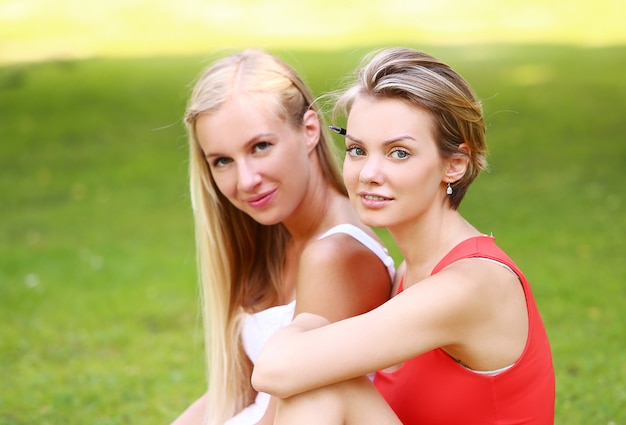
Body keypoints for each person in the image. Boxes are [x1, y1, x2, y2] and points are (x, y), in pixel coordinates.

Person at [252, 47, 555, 424]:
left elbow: (273, 371)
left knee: (321, 382)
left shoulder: (471, 284)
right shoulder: (405, 275)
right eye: (357, 150)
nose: (368, 173)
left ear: (454, 165)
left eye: (398, 153)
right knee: (317, 378)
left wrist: (308, 324)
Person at [170, 50, 395, 425]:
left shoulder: (336, 256)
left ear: (309, 130)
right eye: (222, 161)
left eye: (260, 147)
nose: (246, 180)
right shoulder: (273, 238)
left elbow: (288, 413)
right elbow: (236, 392)